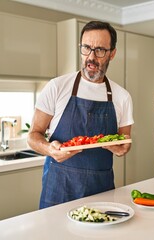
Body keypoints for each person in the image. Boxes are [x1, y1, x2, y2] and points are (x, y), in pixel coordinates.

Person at [28, 21, 134, 209]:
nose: (91, 57)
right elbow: (33, 136)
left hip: (101, 190)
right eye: (86, 48)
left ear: (112, 53)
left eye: (100, 50)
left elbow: (124, 140)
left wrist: (122, 147)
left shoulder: (122, 97)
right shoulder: (57, 87)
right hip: (58, 188)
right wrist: (49, 149)